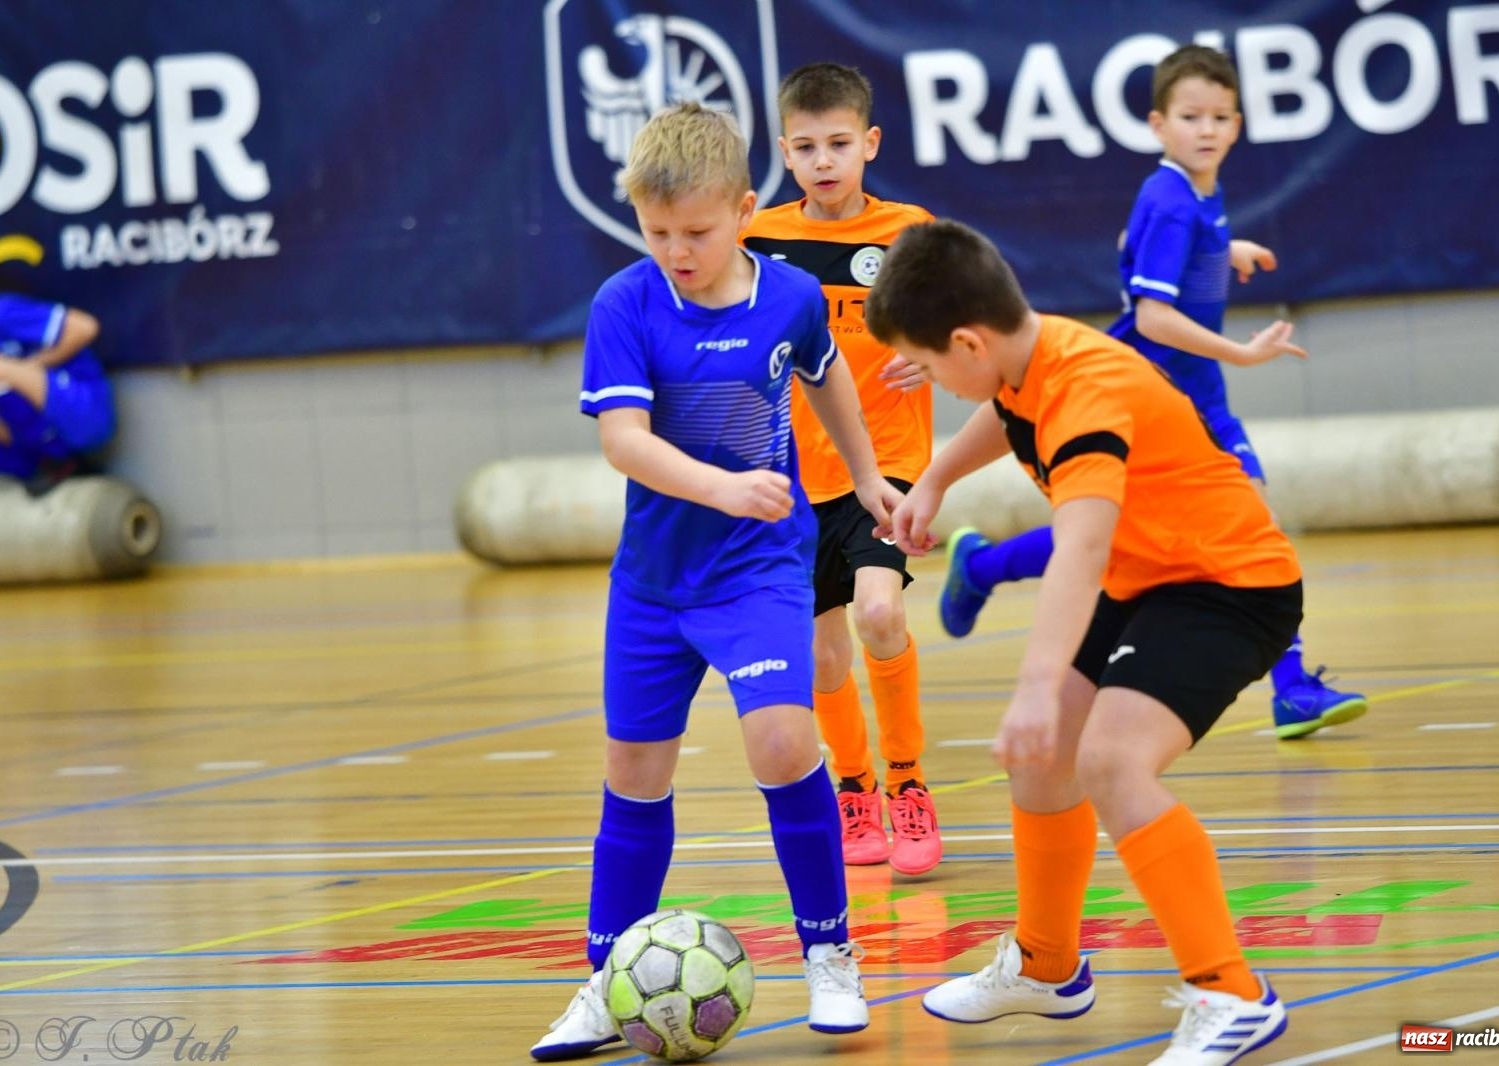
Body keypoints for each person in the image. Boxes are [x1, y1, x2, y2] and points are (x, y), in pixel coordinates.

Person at [866, 217, 1294, 1065]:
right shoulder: (1033, 352)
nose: (940, 386)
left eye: (936, 367)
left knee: (1108, 761)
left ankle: (1231, 992)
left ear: (967, 340)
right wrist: (939, 477)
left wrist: (1035, 684)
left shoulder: (1085, 390)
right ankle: (1047, 967)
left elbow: (1082, 548)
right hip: (1150, 580)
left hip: (1228, 586)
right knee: (1042, 758)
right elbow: (1003, 410)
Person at [530, 101, 902, 1061]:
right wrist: (725, 485)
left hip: (758, 573)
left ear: (743, 209)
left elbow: (827, 377)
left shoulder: (787, 298)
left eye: (695, 232)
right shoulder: (625, 303)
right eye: (657, 233)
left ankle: (832, 954)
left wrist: (864, 477)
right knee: (634, 779)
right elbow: (625, 441)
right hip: (654, 585)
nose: (677, 251)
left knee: (784, 741)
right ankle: (605, 983)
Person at [935, 44, 1366, 741]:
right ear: (1158, 123)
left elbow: (1139, 244)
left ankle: (982, 565)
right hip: (1153, 391)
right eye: (1191, 116)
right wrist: (1245, 353)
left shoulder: (1191, 194)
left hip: (1193, 393)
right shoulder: (1170, 199)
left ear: (1237, 123)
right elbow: (1156, 314)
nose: (1207, 129)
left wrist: (1225, 253)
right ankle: (1289, 688)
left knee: (1158, 536)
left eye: (1220, 116)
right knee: (1195, 530)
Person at [741, 63, 941, 874]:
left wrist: (931, 358)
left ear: (870, 143)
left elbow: (961, 322)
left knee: (881, 614)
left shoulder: (909, 231)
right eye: (807, 147)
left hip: (884, 465)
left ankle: (907, 783)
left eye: (839, 144)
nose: (824, 160)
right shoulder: (760, 242)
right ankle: (851, 788)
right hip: (791, 478)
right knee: (822, 656)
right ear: (786, 154)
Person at [0, 235, 116, 494]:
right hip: (44, 425)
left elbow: (84, 327)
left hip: (83, 407)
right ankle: (35, 470)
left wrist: (28, 366)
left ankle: (63, 461)